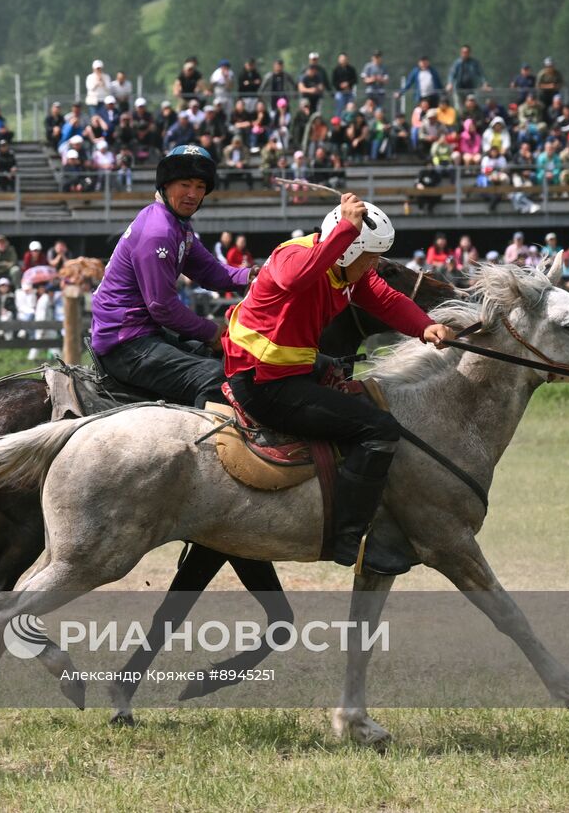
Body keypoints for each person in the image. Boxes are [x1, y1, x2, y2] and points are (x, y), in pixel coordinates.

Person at [222, 194, 453, 574]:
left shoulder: (348, 274)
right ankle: (347, 535)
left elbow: (386, 299)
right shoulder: (293, 257)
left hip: (289, 371)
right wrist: (346, 231)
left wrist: (424, 325)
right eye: (371, 257)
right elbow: (295, 280)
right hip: (263, 384)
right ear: (347, 251)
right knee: (378, 429)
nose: (375, 265)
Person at [90, 145, 252, 407]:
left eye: (200, 187)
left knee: (231, 360)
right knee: (216, 377)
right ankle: (205, 448)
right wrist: (214, 333)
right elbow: (162, 307)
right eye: (185, 184)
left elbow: (211, 271)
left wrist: (253, 276)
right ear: (166, 186)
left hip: (144, 333)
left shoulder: (177, 225)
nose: (193, 194)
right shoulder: (159, 231)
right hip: (125, 344)